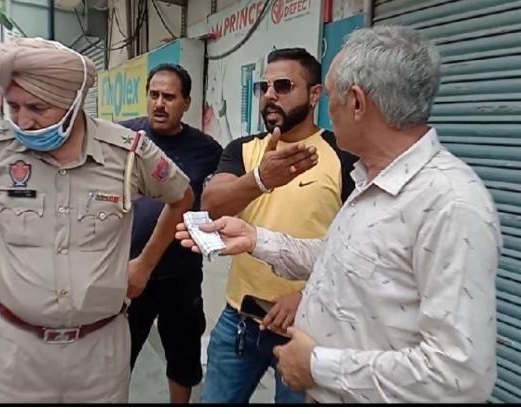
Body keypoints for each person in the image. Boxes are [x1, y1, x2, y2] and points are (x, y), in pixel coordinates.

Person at [176, 26, 501, 403]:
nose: (329, 110)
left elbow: (460, 375)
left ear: (357, 102)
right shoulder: (374, 180)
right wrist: (256, 239)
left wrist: (317, 366)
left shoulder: (451, 204)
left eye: (331, 96)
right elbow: (340, 261)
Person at [0, 38, 194, 403]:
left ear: (74, 103)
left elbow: (181, 196)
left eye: (37, 107)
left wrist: (145, 264)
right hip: (15, 351)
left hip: (100, 353)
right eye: (14, 106)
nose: (23, 120)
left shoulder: (127, 153)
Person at [199, 48, 356, 404]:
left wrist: (305, 297)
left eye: (283, 86)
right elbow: (212, 204)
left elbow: (357, 246)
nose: (270, 95)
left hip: (308, 327)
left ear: (315, 94)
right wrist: (260, 178)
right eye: (263, 87)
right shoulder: (244, 150)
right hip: (240, 320)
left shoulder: (341, 154)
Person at [118, 63, 222, 403]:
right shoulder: (123, 138)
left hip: (181, 275)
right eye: (154, 95)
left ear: (186, 102)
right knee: (116, 359)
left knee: (183, 357)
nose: (159, 104)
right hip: (129, 272)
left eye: (169, 97)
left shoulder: (206, 150)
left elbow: (215, 201)